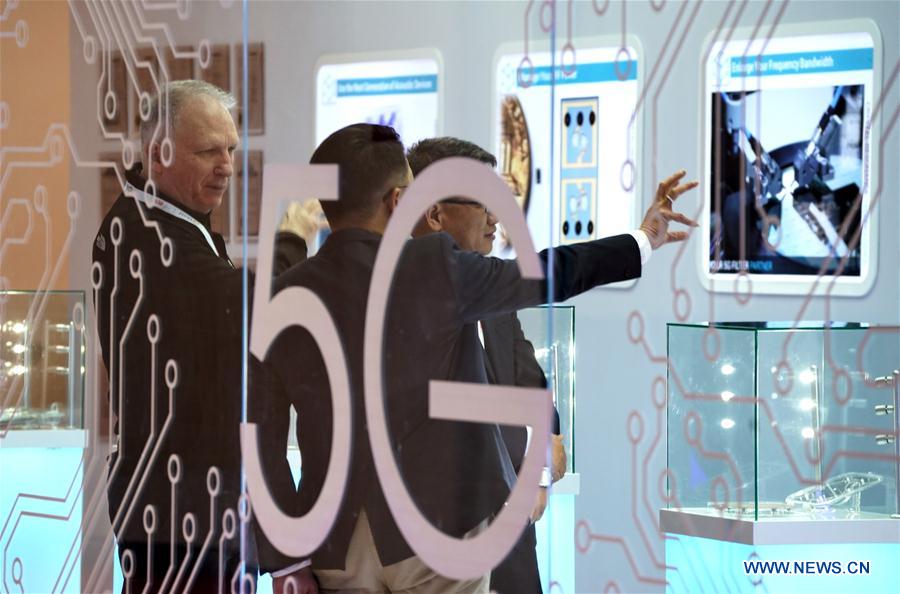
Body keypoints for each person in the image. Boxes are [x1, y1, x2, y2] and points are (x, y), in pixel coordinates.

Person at [255, 123, 697, 594]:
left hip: (335, 543)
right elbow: (552, 271)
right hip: (436, 534)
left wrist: (287, 561)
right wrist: (642, 239)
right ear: (398, 201)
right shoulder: (433, 267)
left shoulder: (284, 294)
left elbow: (263, 437)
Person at [92, 80, 305, 593]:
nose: (226, 166)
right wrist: (293, 239)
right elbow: (245, 306)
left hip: (192, 510)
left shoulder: (173, 222)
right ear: (158, 155)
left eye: (230, 149)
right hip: (179, 516)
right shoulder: (144, 233)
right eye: (208, 151)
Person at [407, 136, 565, 594]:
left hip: (512, 541)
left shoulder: (494, 295)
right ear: (435, 214)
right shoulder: (395, 303)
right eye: (483, 203)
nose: (497, 218)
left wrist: (538, 471)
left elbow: (532, 387)